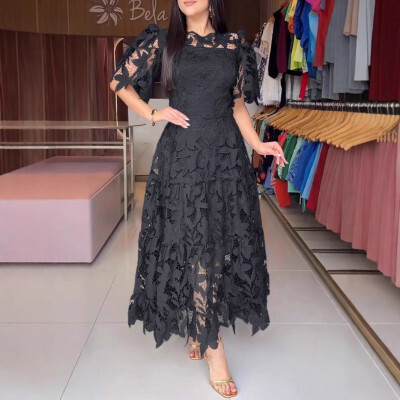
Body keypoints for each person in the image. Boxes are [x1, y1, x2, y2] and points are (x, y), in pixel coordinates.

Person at [109, 0, 287, 397]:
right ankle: (213, 346)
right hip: (182, 156)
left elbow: (236, 105)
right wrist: (153, 114)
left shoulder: (234, 45)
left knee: (216, 242)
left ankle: (199, 324)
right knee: (194, 242)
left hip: (225, 156)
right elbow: (119, 82)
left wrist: (259, 144)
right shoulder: (163, 41)